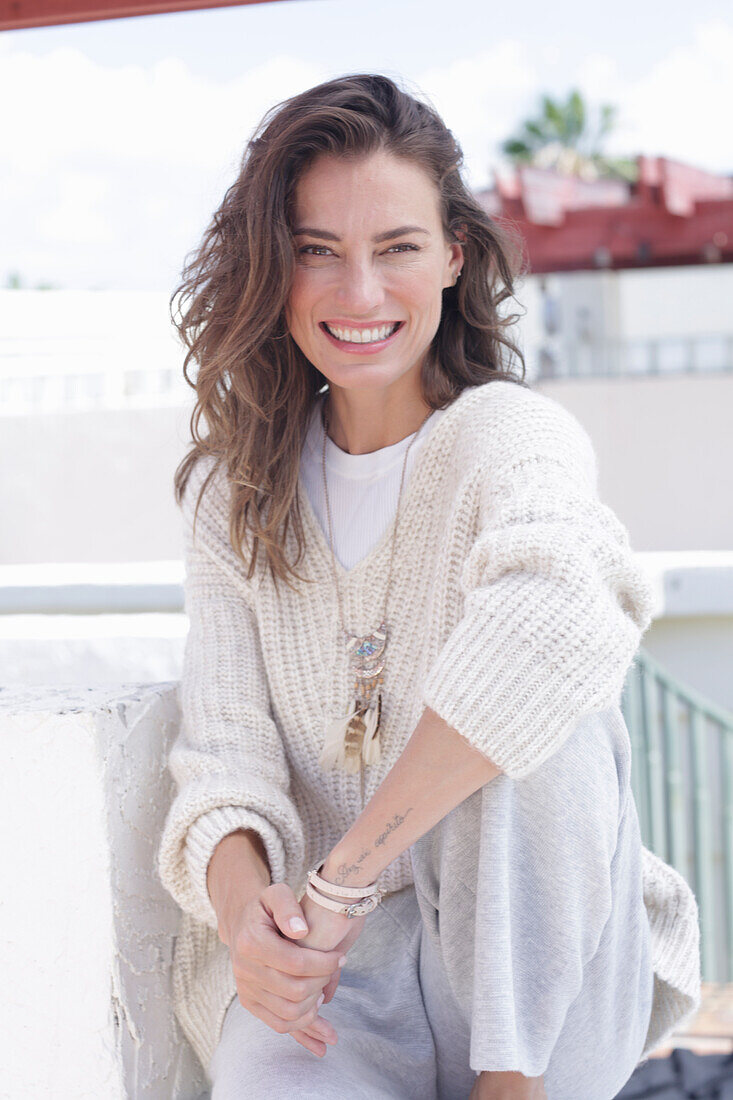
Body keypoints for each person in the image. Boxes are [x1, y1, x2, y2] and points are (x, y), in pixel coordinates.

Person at [157, 74, 701, 1100]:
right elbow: (222, 753)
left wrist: (345, 872)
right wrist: (249, 925)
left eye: (395, 247)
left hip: (535, 987)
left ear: (454, 255)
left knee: (540, 689)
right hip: (334, 986)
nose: (358, 294)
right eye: (317, 251)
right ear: (273, 272)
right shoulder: (233, 494)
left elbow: (555, 623)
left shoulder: (506, 437)